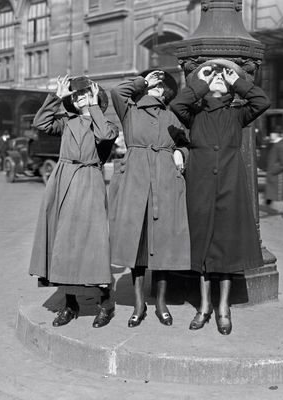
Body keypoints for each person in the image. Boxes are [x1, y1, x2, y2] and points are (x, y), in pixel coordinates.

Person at [171, 59, 270, 335]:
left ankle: (223, 308)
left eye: (221, 78)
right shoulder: (195, 113)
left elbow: (262, 101)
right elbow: (176, 105)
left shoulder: (238, 113)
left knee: (225, 248)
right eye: (211, 78)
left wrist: (237, 81)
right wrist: (199, 84)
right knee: (203, 248)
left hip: (229, 185)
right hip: (200, 186)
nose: (216, 79)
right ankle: (204, 307)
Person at [29, 75, 119, 328]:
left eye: (85, 94)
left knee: (93, 243)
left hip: (89, 182)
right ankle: (70, 305)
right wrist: (55, 97)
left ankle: (105, 303)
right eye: (76, 95)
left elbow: (105, 135)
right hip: (63, 181)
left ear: (95, 98)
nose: (79, 98)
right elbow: (41, 122)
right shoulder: (67, 122)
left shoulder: (105, 124)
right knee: (63, 242)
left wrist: (92, 108)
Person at [109, 70, 190, 328]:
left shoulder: (172, 115)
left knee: (163, 245)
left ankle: (161, 303)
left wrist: (180, 153)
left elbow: (189, 142)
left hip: (164, 183)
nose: (156, 89)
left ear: (167, 92)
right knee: (137, 247)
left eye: (160, 86)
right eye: (152, 85)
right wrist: (142, 81)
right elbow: (116, 92)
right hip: (136, 182)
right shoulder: (130, 111)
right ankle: (138, 304)